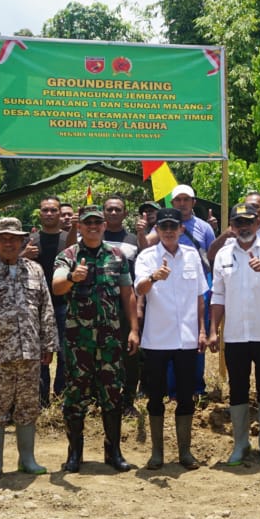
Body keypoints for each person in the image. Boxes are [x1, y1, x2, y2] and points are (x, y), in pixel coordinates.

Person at [0, 217, 58, 479]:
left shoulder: (35, 270)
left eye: (14, 238)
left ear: (22, 241)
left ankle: (27, 459)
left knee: (28, 406)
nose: (9, 243)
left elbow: (45, 309)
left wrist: (48, 344)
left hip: (30, 353)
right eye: (3, 238)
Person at [51, 204, 140, 472]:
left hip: (111, 340)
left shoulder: (117, 256)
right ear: (80, 227)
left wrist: (134, 329)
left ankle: (113, 452)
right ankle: (74, 453)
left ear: (103, 226)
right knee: (76, 397)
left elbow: (128, 294)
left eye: (97, 223)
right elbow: (56, 287)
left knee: (112, 395)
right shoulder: (67, 255)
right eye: (87, 223)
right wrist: (71, 277)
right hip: (79, 342)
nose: (92, 227)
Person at [208, 202, 260, 467]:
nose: (243, 227)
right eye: (238, 223)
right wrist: (213, 330)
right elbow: (218, 294)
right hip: (234, 335)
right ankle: (240, 443)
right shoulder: (223, 254)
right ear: (231, 226)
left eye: (248, 222)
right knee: (237, 389)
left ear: (258, 223)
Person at [134, 207, 207, 469]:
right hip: (156, 339)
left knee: (186, 396)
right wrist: (154, 277)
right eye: (162, 227)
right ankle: (157, 454)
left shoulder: (192, 256)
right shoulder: (147, 256)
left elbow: (200, 296)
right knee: (155, 397)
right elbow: (139, 289)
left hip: (187, 339)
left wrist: (201, 330)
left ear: (181, 229)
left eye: (172, 227)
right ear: (157, 230)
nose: (167, 231)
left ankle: (185, 453)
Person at [23, 196, 73, 405]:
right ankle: (41, 399)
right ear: (40, 213)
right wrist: (23, 254)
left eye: (54, 210)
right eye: (46, 210)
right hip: (36, 305)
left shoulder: (69, 239)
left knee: (64, 352)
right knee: (38, 353)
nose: (50, 214)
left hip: (64, 303)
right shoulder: (29, 240)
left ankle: (61, 395)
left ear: (60, 214)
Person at [102, 195, 142, 417]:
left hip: (126, 303)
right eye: (110, 209)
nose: (114, 213)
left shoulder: (133, 239)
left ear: (125, 213)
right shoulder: (94, 236)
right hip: (99, 305)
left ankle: (127, 401)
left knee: (129, 355)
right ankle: (103, 399)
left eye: (118, 210)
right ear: (103, 212)